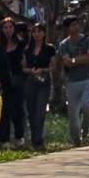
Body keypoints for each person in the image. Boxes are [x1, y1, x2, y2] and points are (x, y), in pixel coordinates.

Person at [54, 16, 89, 146]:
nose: (75, 27)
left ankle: (86, 134)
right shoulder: (64, 44)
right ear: (67, 28)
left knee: (86, 106)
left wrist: (75, 60)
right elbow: (67, 62)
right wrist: (80, 59)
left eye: (77, 24)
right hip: (72, 82)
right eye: (72, 25)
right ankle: (76, 140)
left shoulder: (87, 40)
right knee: (73, 113)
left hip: (87, 79)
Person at [0, 16, 28, 148]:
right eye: (5, 27)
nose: (8, 30)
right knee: (3, 111)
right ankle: (4, 139)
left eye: (10, 27)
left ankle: (19, 136)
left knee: (18, 110)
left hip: (18, 81)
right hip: (2, 82)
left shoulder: (21, 44)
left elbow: (25, 61)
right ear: (1, 29)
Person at [17, 18, 54, 151]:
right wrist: (31, 71)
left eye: (39, 31)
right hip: (31, 80)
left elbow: (53, 67)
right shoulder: (28, 49)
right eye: (34, 32)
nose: (36, 34)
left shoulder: (49, 48)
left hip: (44, 80)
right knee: (31, 111)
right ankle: (33, 139)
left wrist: (43, 70)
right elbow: (23, 67)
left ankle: (39, 139)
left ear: (44, 33)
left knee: (40, 111)